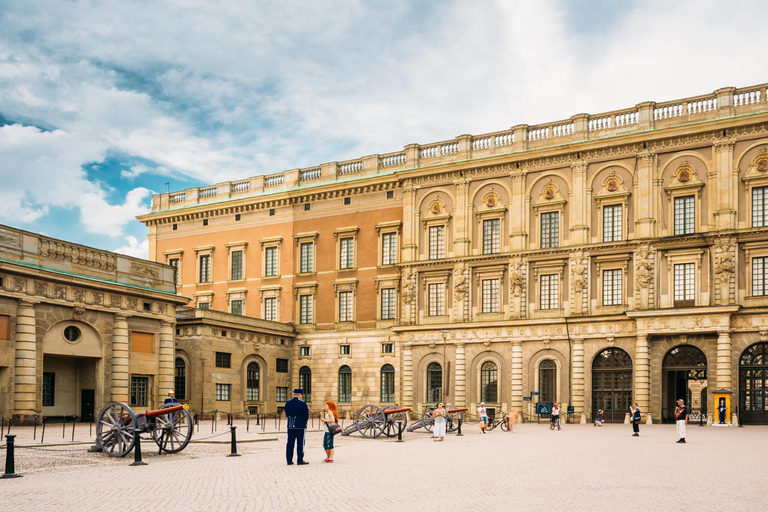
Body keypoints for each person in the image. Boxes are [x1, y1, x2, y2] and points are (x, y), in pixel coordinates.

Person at [284, 388, 310, 465]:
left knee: (290, 443)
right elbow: (306, 415)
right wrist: (304, 422)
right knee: (300, 443)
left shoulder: (288, 403)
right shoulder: (302, 403)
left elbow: (286, 413)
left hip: (290, 424)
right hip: (300, 425)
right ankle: (300, 459)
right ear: (299, 395)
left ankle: (289, 460)